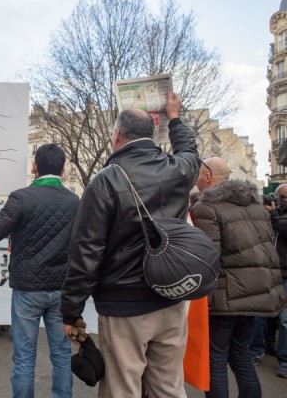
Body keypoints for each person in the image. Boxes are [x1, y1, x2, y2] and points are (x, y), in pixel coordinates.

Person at [60, 93, 198, 398]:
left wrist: (70, 312)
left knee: (122, 388)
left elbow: (86, 254)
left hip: (125, 306)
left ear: (117, 136)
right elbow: (190, 150)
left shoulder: (105, 182)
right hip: (172, 298)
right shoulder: (179, 170)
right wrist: (175, 118)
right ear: (151, 135)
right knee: (169, 386)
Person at [0, 143, 79, 398]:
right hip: (62, 290)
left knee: (24, 358)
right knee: (62, 356)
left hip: (27, 290)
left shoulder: (20, 197)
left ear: (34, 166)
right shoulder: (75, 201)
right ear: (63, 170)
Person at [191, 157, 286, 397]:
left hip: (224, 297)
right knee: (241, 354)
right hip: (255, 294)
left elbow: (207, 258)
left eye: (199, 175)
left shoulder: (206, 208)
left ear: (209, 177)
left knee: (216, 358)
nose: (197, 180)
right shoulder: (256, 206)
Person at [256, 183, 287, 378]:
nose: (282, 201)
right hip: (268, 270)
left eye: (285, 197)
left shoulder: (277, 217)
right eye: (280, 197)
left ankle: (284, 360)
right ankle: (262, 347)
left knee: (285, 320)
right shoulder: (272, 215)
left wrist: (274, 215)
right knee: (262, 314)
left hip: (285, 273)